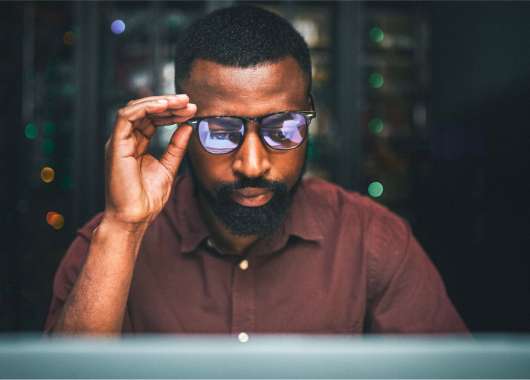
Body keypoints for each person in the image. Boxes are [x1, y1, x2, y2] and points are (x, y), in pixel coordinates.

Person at [45, 5, 468, 335]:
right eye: (221, 130)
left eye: (282, 128)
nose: (252, 164)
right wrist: (123, 228)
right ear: (181, 127)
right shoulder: (108, 243)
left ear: (310, 118)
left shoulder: (372, 240)